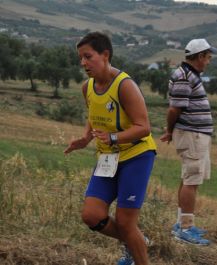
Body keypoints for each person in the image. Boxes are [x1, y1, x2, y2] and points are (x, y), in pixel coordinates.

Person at [64, 32, 156, 265]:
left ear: (105, 55)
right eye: (81, 58)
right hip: (108, 159)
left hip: (136, 155)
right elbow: (94, 113)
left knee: (126, 223)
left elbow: (144, 127)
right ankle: (135, 241)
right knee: (92, 215)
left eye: (88, 57)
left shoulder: (125, 85)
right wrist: (85, 138)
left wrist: (113, 137)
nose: (83, 63)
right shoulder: (88, 87)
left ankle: (137, 254)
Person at [160, 38, 216, 245]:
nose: (208, 62)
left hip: (194, 134)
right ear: (199, 56)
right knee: (191, 180)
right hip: (192, 135)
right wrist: (169, 130)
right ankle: (185, 228)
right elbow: (175, 108)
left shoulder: (188, 75)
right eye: (208, 57)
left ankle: (181, 223)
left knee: (188, 179)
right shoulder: (184, 76)